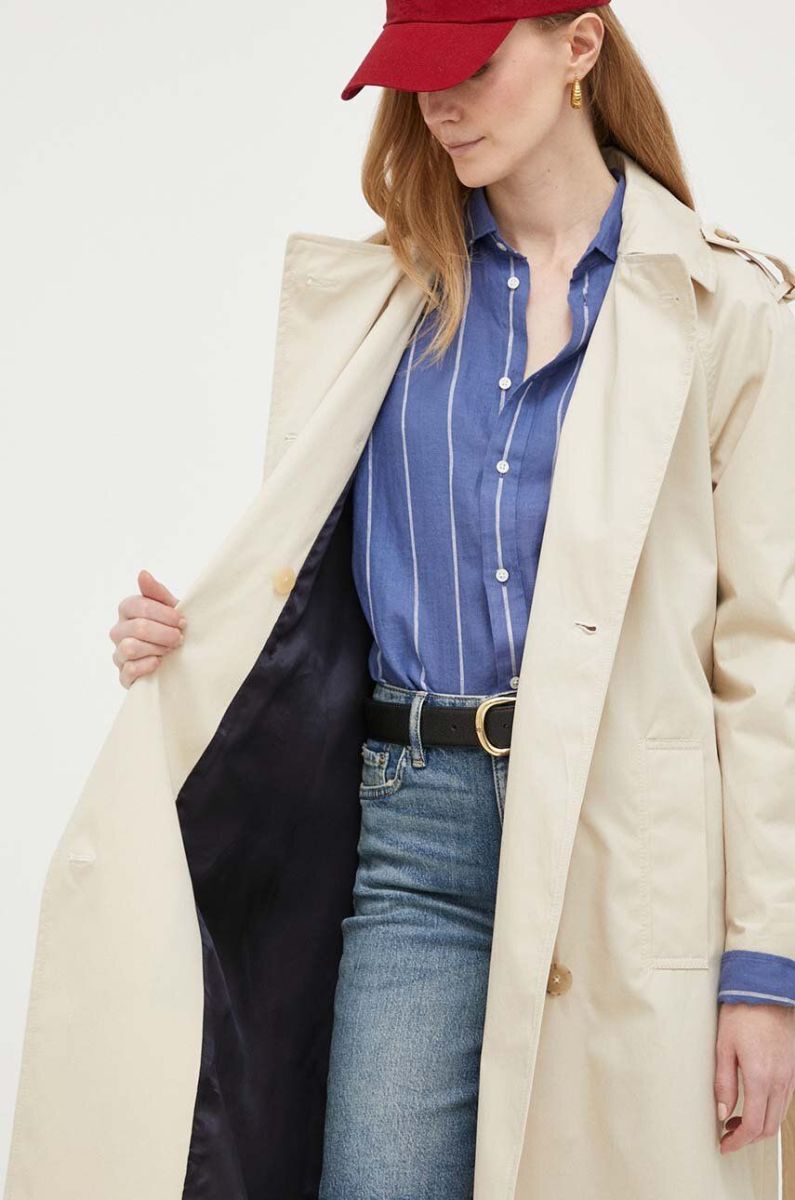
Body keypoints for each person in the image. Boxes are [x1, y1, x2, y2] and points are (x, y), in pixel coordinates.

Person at [11, 3, 794, 1200]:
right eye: (417, 74)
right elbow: (302, 582)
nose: (439, 104)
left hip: (632, 842)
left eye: (468, 65)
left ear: (579, 47)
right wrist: (194, 649)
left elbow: (768, 655)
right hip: (414, 831)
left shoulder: (723, 309)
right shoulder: (386, 296)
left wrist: (766, 966)